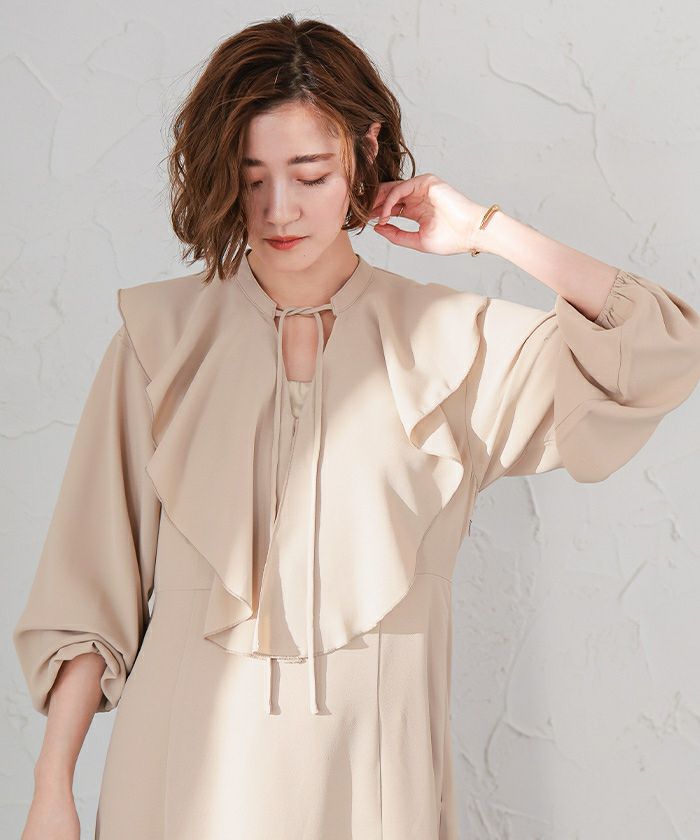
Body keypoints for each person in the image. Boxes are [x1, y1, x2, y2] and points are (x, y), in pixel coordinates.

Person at [13, 13, 700, 840]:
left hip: (375, 782)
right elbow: (88, 589)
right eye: (252, 177)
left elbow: (660, 349)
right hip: (178, 778)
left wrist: (486, 231)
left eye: (309, 174)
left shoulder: (456, 345)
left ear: (365, 152)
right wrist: (52, 788)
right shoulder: (160, 339)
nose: (278, 209)